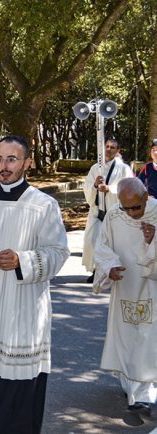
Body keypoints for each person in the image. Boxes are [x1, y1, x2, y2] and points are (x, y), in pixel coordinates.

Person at [0, 135, 70, 433]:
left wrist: (22, 260)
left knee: (21, 387)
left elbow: (59, 252)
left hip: (24, 306)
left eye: (11, 159)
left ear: (27, 162)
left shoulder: (43, 204)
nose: (4, 166)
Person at [93, 177, 157, 413]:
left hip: (152, 287)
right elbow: (102, 246)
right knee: (126, 336)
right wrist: (109, 267)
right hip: (125, 284)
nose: (130, 213)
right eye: (125, 207)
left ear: (146, 197)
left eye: (136, 207)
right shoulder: (113, 215)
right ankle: (130, 383)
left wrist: (153, 241)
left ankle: (142, 394)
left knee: (148, 339)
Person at [83, 139, 134, 282]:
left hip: (115, 212)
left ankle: (113, 270)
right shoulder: (95, 168)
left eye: (113, 147)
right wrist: (94, 185)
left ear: (118, 150)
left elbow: (128, 188)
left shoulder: (124, 169)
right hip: (97, 212)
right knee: (93, 240)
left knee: (112, 243)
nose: (109, 149)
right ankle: (96, 271)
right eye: (107, 146)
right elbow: (86, 187)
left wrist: (110, 189)